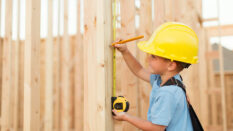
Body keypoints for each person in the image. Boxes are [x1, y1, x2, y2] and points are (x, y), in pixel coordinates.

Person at [112, 22, 198, 131]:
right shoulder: (165, 80)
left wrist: (125, 116)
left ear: (171, 65)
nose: (148, 59)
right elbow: (139, 71)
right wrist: (125, 51)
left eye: (153, 57)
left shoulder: (168, 92)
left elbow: (156, 128)